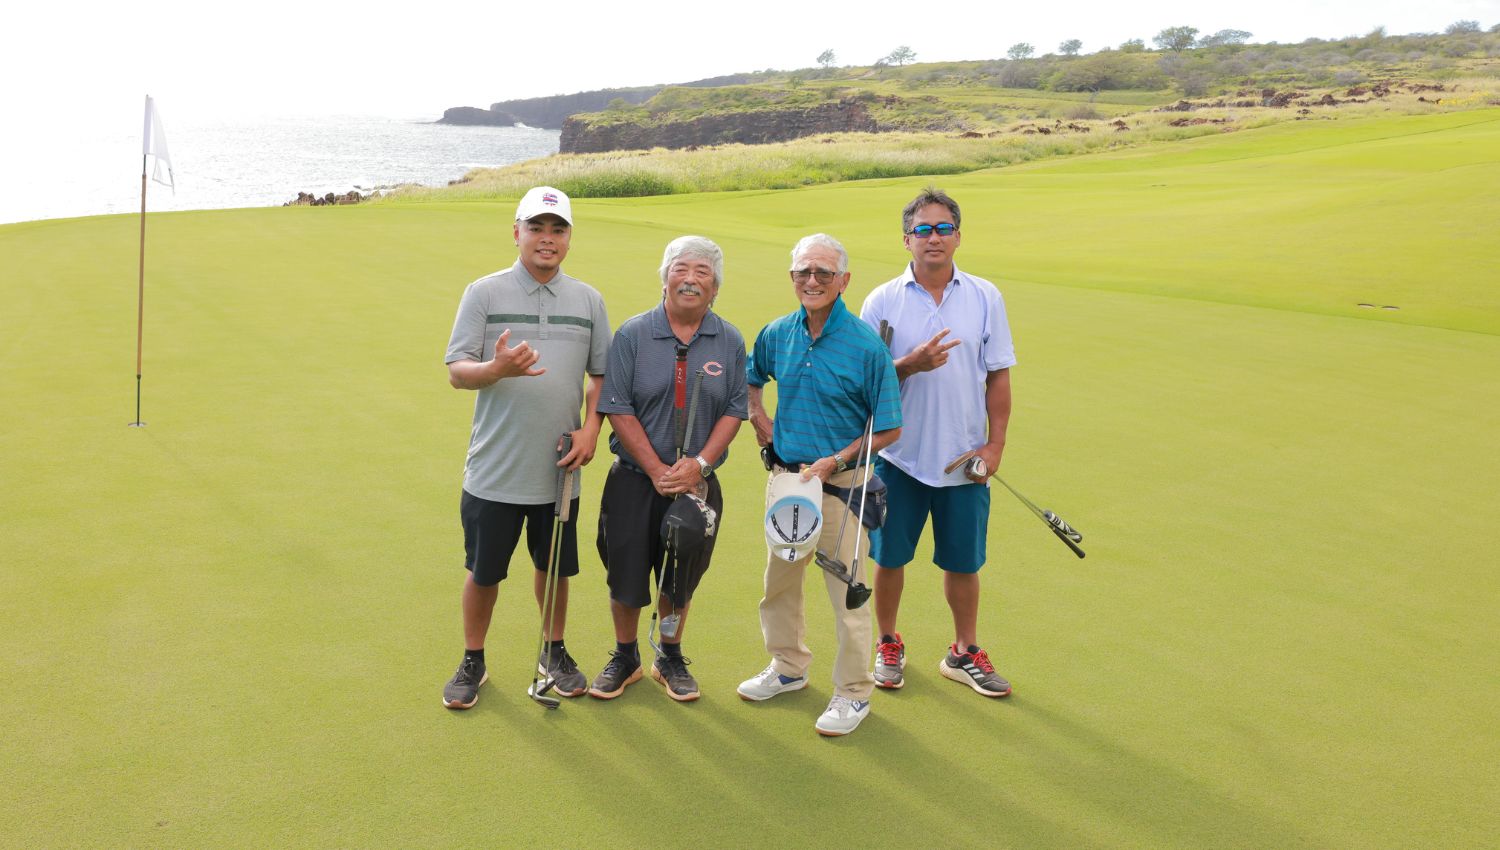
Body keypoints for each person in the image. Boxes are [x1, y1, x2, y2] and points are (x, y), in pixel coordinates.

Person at [440, 185, 611, 710]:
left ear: (568, 239)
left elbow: (601, 376)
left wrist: (591, 430)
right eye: (535, 228)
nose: (546, 239)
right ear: (516, 232)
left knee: (554, 567)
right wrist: (495, 369)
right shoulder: (484, 293)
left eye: (557, 229)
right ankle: (474, 658)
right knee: (484, 571)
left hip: (559, 468)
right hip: (495, 467)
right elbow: (457, 371)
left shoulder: (588, 300)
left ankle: (553, 652)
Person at [737, 233, 901, 736]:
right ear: (792, 278)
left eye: (823, 274)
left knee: (847, 595)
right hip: (787, 480)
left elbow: (890, 427)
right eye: (803, 272)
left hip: (843, 488)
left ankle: (853, 693)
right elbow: (752, 377)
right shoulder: (778, 332)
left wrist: (838, 458)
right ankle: (788, 667)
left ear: (844, 281)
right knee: (779, 585)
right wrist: (757, 413)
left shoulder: (866, 345)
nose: (812, 281)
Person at [858, 187, 1017, 698]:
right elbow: (866, 381)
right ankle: (887, 642)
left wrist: (994, 448)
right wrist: (910, 364)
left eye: (943, 228)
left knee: (963, 562)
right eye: (923, 229)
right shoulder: (882, 299)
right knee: (889, 559)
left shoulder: (984, 296)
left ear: (958, 237)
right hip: (899, 458)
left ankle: (963, 651)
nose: (933, 237)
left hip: (963, 458)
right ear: (907, 239)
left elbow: (997, 377)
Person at [588, 236, 747, 702]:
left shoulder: (729, 338)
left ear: (715, 288)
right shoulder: (633, 334)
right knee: (626, 572)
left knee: (680, 576)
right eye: (682, 269)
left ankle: (669, 655)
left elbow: (735, 410)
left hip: (697, 485)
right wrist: (657, 468)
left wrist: (698, 465)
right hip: (635, 479)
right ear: (665, 278)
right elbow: (617, 406)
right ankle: (626, 656)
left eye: (703, 272)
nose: (691, 279)